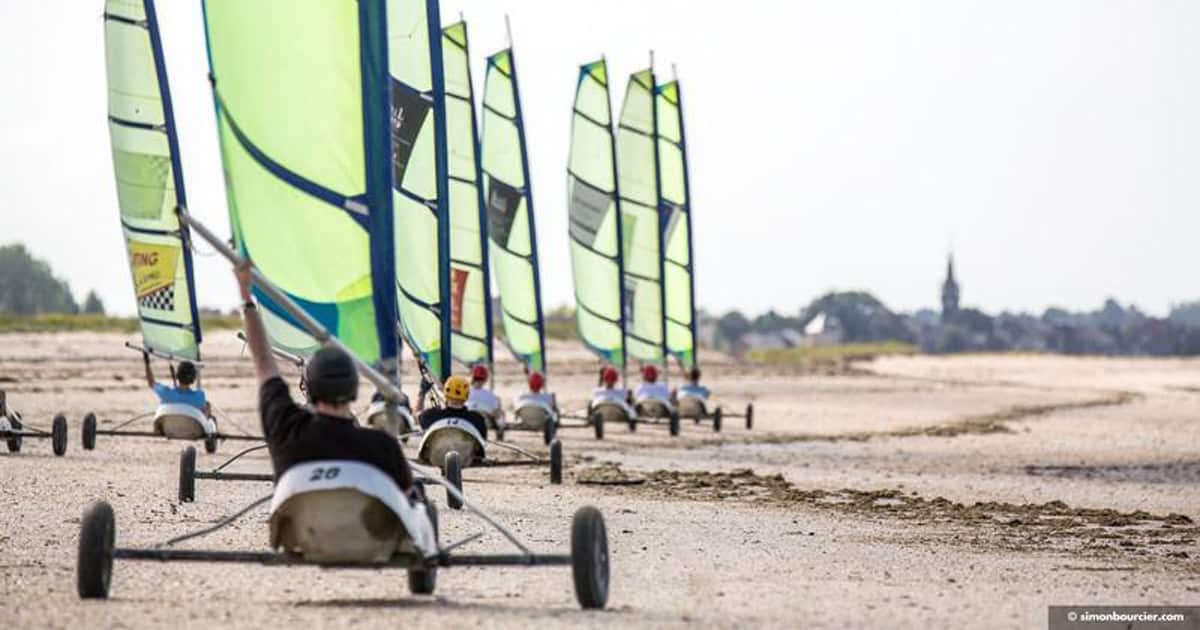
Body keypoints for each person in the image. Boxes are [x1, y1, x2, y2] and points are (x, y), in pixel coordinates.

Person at [235, 261, 413, 492]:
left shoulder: (286, 429)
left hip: (298, 527)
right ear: (353, 390)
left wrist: (246, 297)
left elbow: (265, 364)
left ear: (310, 388)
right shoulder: (381, 447)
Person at [417, 375, 489, 440]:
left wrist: (422, 394)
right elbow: (483, 441)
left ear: (445, 394)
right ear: (467, 396)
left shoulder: (433, 415)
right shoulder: (477, 419)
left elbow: (417, 414)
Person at [143, 353, 211, 417]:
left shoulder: (165, 393)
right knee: (207, 408)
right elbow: (204, 417)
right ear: (193, 379)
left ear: (177, 376)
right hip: (191, 428)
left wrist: (147, 363)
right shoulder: (199, 396)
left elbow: (151, 383)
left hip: (169, 428)